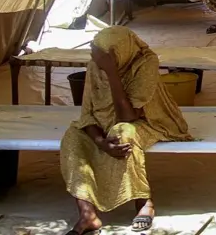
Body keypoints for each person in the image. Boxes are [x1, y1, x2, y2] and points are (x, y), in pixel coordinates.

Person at [60, 26, 191, 235]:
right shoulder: (96, 64)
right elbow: (87, 113)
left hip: (148, 120)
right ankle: (87, 214)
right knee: (72, 136)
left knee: (123, 133)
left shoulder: (146, 62)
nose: (98, 60)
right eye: (99, 55)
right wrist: (100, 141)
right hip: (103, 122)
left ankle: (144, 202)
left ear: (123, 51)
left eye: (107, 57)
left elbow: (128, 116)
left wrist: (112, 72)